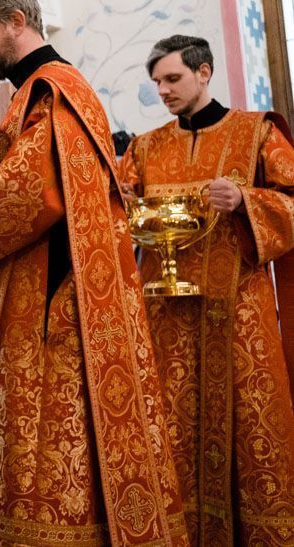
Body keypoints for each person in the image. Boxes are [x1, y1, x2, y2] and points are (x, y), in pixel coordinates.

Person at [0, 0, 186, 545]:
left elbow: (27, 194)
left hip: (51, 307)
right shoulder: (35, 93)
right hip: (44, 297)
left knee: (51, 451)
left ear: (17, 20)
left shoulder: (51, 91)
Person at [116, 35, 294, 545]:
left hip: (238, 311)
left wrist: (247, 199)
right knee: (171, 423)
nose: (163, 91)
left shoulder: (256, 133)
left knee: (251, 424)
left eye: (172, 79)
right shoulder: (145, 147)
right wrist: (117, 199)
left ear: (204, 72)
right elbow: (119, 213)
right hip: (166, 316)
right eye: (157, 82)